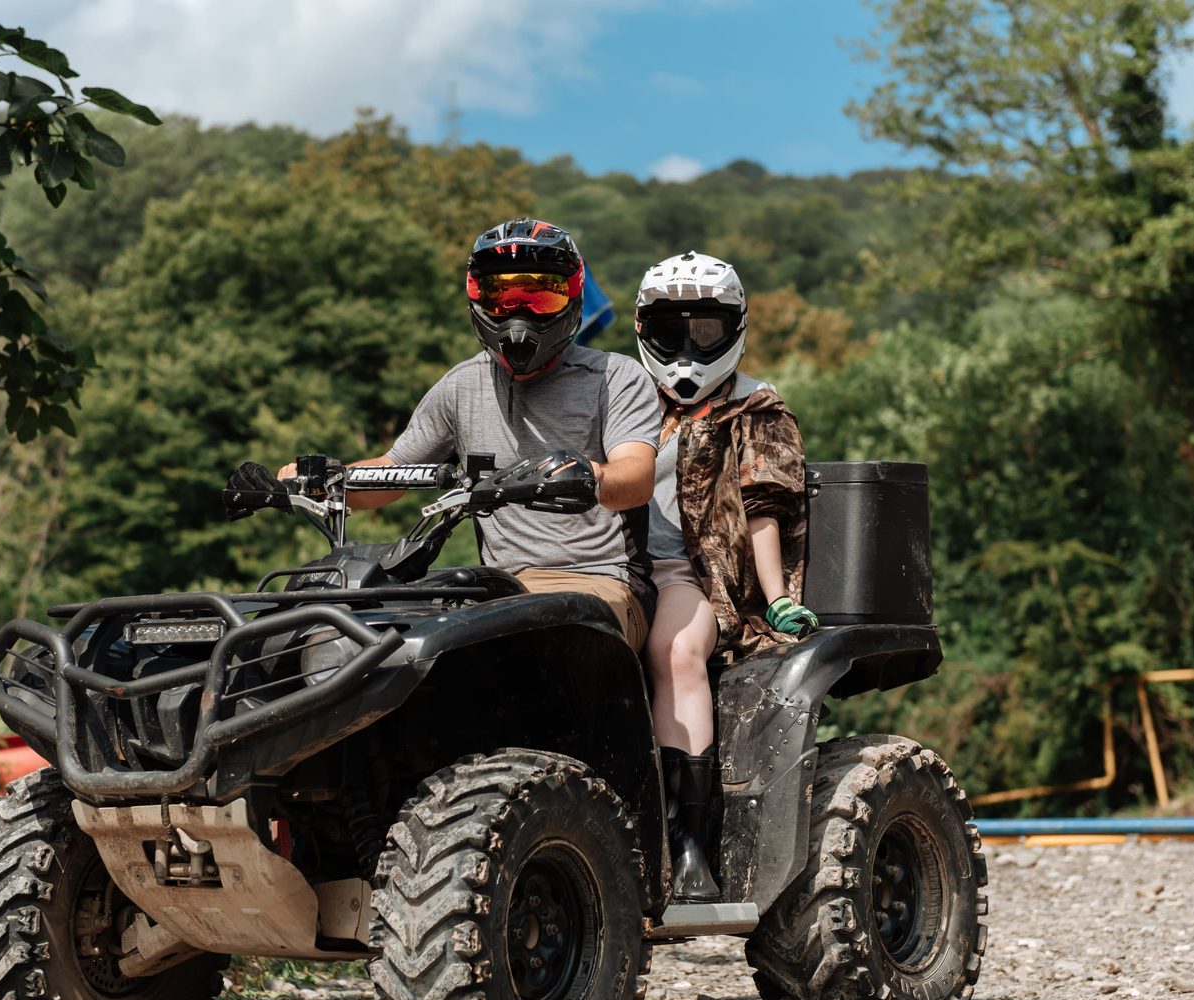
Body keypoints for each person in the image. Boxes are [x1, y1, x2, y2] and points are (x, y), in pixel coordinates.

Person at [283, 218, 660, 649]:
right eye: (502, 297)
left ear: (571, 297)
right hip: (495, 588)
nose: (520, 315)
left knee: (533, 643)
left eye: (539, 295)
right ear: (477, 298)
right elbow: (391, 473)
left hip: (600, 580)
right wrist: (317, 481)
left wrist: (587, 474)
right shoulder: (462, 386)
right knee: (378, 645)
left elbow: (635, 479)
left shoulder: (615, 376)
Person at [636, 251, 819, 901]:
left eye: (705, 330)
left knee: (677, 648)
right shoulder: (624, 397)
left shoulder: (754, 409)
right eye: (672, 329)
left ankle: (688, 844)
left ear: (733, 327)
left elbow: (766, 511)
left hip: (696, 572)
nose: (688, 346)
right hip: (612, 566)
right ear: (643, 328)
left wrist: (776, 599)